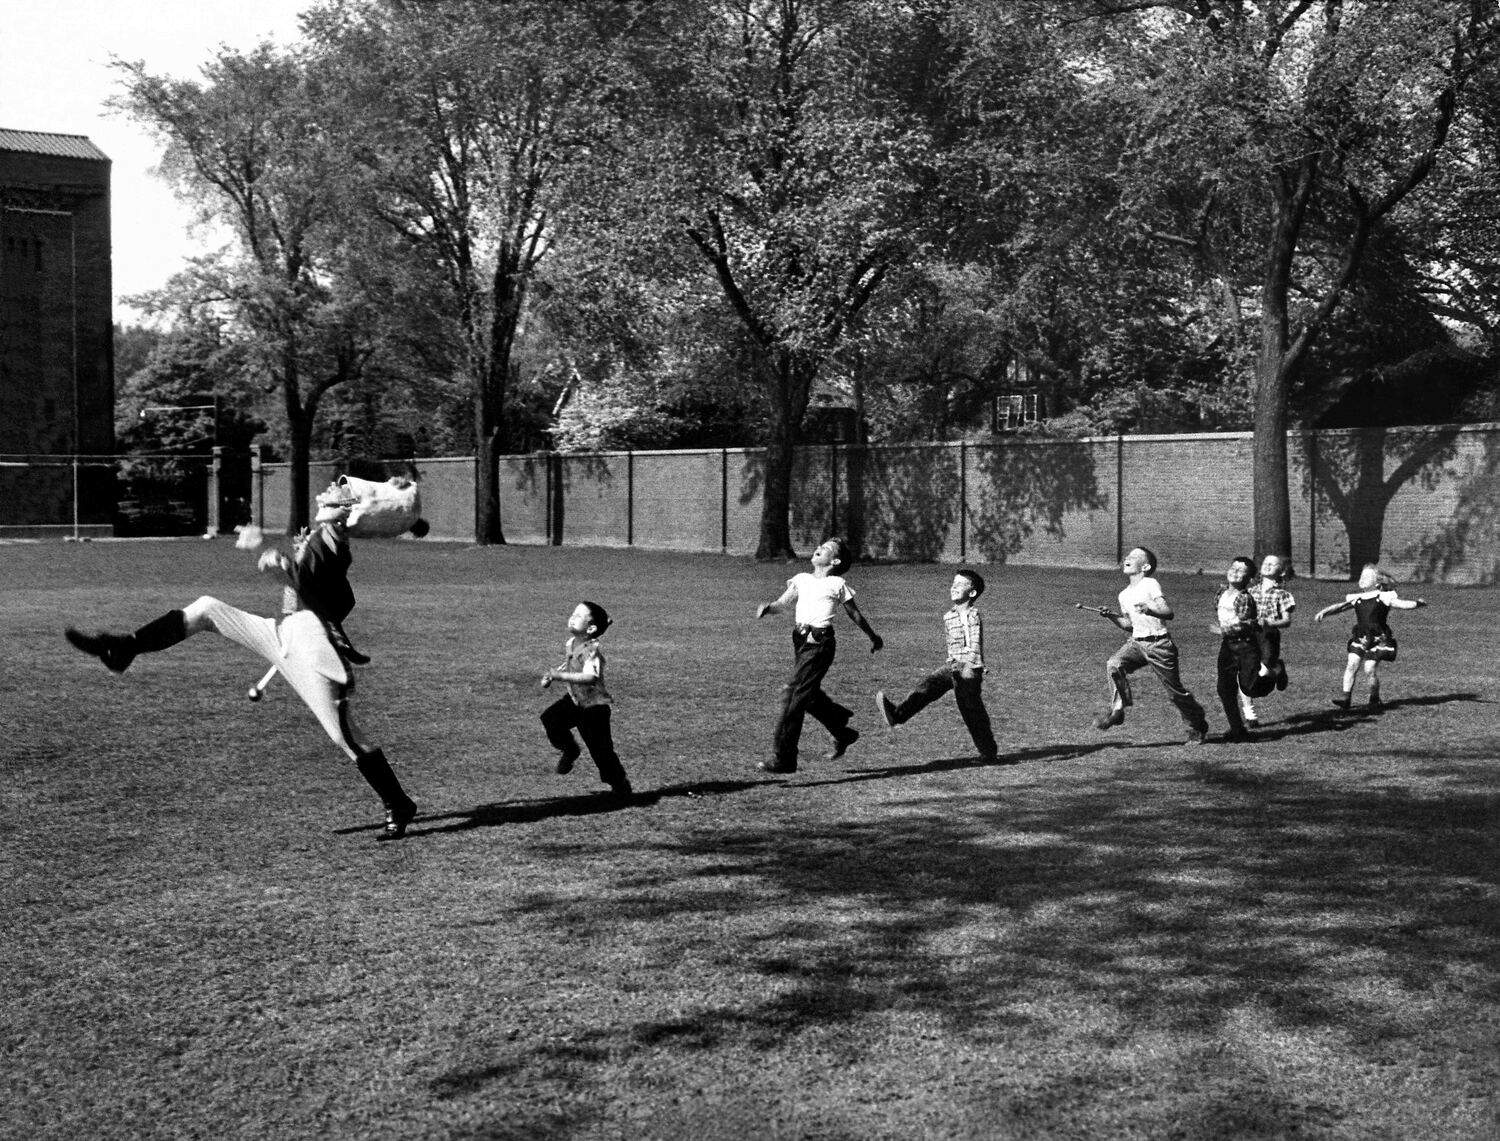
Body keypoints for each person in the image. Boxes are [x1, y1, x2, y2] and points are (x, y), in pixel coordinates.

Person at [64, 478, 423, 840]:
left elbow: (308, 580)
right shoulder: (320, 537)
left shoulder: (333, 543)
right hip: (281, 632)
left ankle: (398, 803)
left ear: (348, 511)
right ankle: (125, 648)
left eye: (336, 492)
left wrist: (276, 559)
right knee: (207, 609)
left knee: (344, 736)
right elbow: (339, 599)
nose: (325, 491)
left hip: (309, 644)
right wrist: (278, 558)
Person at [756, 537, 883, 773]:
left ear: (834, 560)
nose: (818, 549)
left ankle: (784, 758)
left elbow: (855, 614)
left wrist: (873, 637)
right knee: (806, 694)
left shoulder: (837, 583)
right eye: (819, 546)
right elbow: (784, 602)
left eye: (825, 549)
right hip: (800, 641)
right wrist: (769, 608)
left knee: (792, 696)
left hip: (820, 644)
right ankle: (840, 727)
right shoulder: (801, 579)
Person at [875, 568, 1000, 763]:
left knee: (971, 711)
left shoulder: (971, 615)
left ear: (972, 593)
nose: (954, 587)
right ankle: (897, 715)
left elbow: (974, 641)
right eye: (953, 583)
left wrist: (971, 666)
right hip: (952, 667)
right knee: (926, 687)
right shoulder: (949, 616)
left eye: (960, 584)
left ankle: (989, 751)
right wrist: (952, 661)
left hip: (968, 669)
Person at [1089, 546, 1210, 744]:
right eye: (1128, 555)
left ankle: (1197, 724)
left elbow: (1168, 612)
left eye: (1134, 556)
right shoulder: (1123, 595)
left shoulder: (1150, 584)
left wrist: (1150, 610)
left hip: (1159, 644)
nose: (1128, 557)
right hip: (1137, 643)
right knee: (1114, 663)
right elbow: (1129, 625)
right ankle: (1117, 710)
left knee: (1175, 693)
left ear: (1145, 566)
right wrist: (1111, 616)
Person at [539, 600, 632, 799]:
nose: (572, 617)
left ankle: (620, 784)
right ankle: (570, 749)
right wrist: (554, 673)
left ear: (590, 628)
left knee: (601, 751)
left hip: (594, 708)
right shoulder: (571, 643)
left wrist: (559, 676)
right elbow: (570, 661)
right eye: (573, 613)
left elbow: (591, 677)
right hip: (575, 700)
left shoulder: (592, 652)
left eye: (579, 616)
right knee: (550, 719)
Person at [1313, 564, 1428, 709]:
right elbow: (1340, 607)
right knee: (1351, 664)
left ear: (1377, 582)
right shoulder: (1357, 598)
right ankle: (1345, 698)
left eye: (1367, 577)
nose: (1362, 579)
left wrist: (1417, 603)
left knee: (1369, 669)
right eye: (1362, 576)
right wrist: (1324, 612)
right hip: (1361, 637)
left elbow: (1401, 604)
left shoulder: (1384, 597)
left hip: (1377, 639)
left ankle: (1374, 698)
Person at [1213, 556, 1276, 742]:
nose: (1235, 572)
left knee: (1249, 688)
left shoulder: (1244, 598)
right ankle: (1237, 729)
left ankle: (1275, 671)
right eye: (1233, 568)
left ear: (1248, 579)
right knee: (1225, 688)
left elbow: (1247, 624)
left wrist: (1225, 629)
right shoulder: (1221, 593)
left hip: (1246, 646)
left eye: (1241, 571)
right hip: (1228, 646)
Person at [1239, 553, 1296, 727]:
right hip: (1249, 635)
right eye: (1265, 562)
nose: (1268, 565)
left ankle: (1277, 670)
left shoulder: (1282, 594)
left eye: (1273, 564)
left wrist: (1269, 622)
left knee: (1263, 672)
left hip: (1268, 637)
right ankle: (1250, 714)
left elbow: (1286, 621)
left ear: (1281, 571)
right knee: (1244, 673)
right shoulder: (1249, 591)